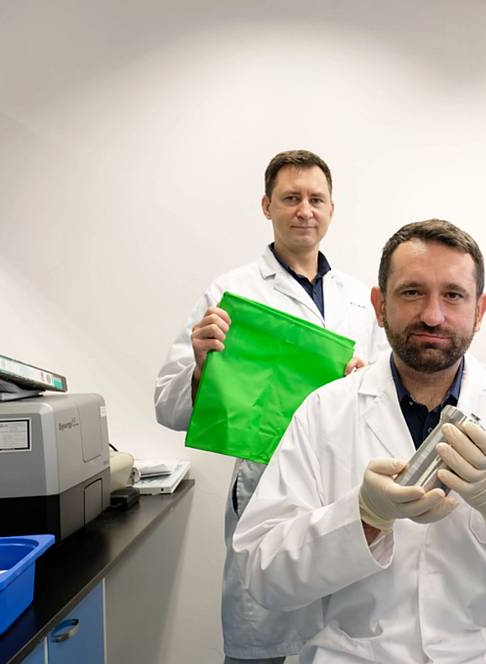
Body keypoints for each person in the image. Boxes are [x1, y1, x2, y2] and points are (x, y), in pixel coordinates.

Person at [232, 219, 486, 663]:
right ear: (379, 306)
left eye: (453, 295)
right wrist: (362, 517)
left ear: (480, 310)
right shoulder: (324, 412)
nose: (433, 315)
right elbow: (263, 573)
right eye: (412, 292)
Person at [154, 150, 388, 664]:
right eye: (291, 198)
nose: (305, 210)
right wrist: (199, 367)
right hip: (266, 485)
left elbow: (389, 393)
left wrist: (366, 378)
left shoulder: (360, 297)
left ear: (331, 209)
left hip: (346, 483)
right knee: (260, 635)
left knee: (344, 640)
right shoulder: (230, 292)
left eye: (315, 199)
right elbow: (167, 408)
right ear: (267, 206)